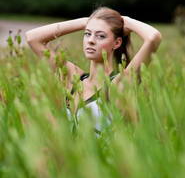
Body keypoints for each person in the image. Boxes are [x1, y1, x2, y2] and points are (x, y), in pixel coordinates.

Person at [26, 7, 162, 133]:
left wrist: (125, 21)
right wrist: (87, 21)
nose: (91, 40)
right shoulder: (73, 78)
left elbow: (153, 38)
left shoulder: (119, 84)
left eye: (100, 36)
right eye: (87, 34)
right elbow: (32, 38)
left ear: (117, 43)